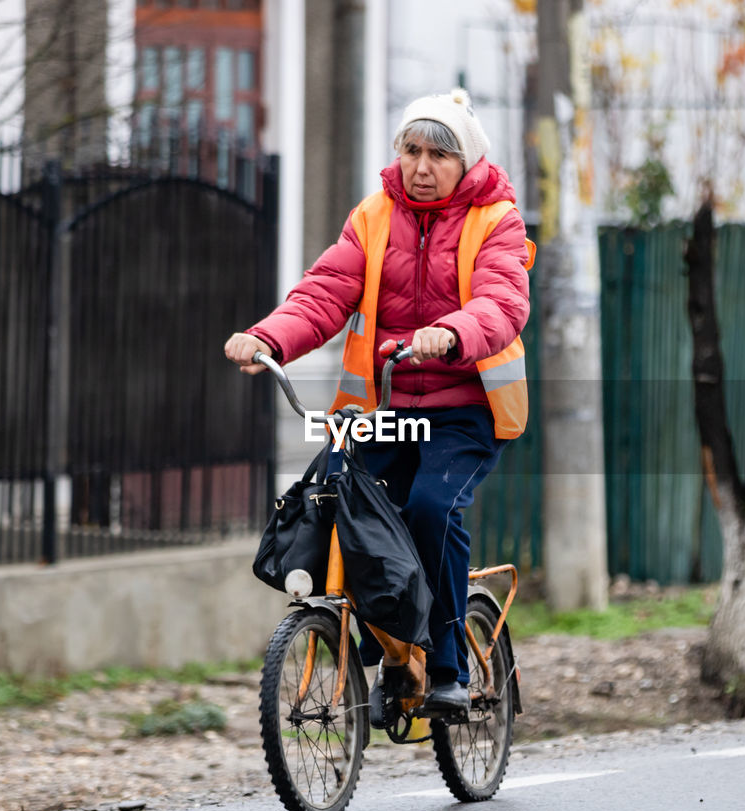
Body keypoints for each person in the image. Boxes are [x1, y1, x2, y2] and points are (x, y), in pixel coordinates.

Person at [224, 89, 533, 713]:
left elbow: (503, 303)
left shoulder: (495, 220)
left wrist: (453, 333)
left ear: (466, 162)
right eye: (411, 150)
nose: (422, 167)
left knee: (429, 507)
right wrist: (267, 340)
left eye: (438, 155)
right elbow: (324, 294)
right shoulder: (372, 217)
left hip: (466, 410)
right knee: (340, 505)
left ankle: (447, 667)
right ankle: (390, 650)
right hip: (386, 412)